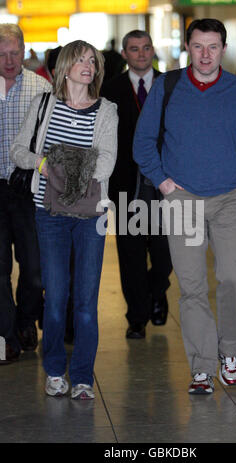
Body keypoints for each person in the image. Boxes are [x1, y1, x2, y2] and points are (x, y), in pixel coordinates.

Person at [133, 18, 236, 395]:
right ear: (188, 47)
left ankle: (229, 352)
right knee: (192, 287)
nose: (205, 54)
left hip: (227, 199)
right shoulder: (167, 87)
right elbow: (142, 142)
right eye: (198, 46)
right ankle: (201, 367)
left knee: (234, 278)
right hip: (181, 200)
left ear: (223, 48)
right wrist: (164, 182)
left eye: (213, 47)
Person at [10, 40, 118, 399]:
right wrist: (44, 164)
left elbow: (106, 164)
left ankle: (84, 377)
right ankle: (55, 370)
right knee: (55, 297)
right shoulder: (43, 105)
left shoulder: (107, 111)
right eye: (81, 59)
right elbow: (19, 150)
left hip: (90, 217)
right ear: (65, 66)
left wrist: (60, 166)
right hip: (49, 214)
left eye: (93, 61)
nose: (88, 65)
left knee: (86, 301)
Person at [101, 30, 172, 340]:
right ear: (125, 53)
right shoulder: (110, 89)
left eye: (145, 48)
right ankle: (137, 316)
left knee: (164, 252)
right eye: (134, 49)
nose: (141, 54)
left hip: (166, 183)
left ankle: (158, 290)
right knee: (131, 253)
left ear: (152, 50)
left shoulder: (171, 86)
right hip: (126, 184)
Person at [0, 24, 52, 364]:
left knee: (34, 271)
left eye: (14, 53)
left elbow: (53, 143)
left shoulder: (41, 88)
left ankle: (24, 321)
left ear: (24, 51)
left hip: (27, 190)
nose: (8, 61)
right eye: (1, 54)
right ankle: (7, 337)